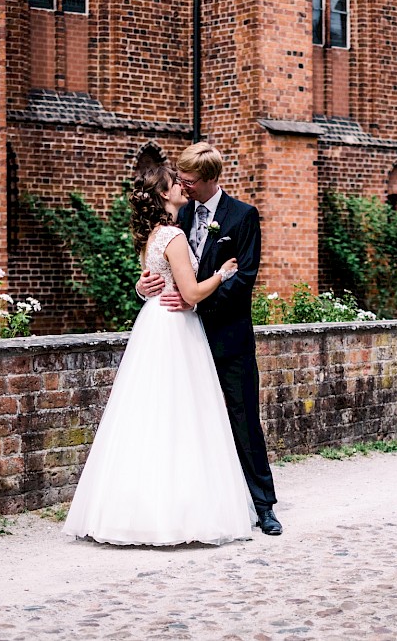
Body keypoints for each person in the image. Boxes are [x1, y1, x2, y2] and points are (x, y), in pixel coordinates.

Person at [63, 165, 257, 546]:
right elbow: (191, 292)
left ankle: (132, 510)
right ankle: (179, 512)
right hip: (175, 326)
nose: (182, 186)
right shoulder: (173, 235)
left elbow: (154, 281)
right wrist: (221, 273)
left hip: (153, 323)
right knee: (182, 415)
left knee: (147, 413)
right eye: (175, 183)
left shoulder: (151, 235)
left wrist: (144, 287)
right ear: (165, 195)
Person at [136, 142, 282, 536]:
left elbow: (244, 279)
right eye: (180, 179)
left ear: (211, 179)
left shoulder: (242, 217)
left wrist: (195, 301)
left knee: (242, 419)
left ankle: (262, 505)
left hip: (226, 336)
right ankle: (204, 505)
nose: (183, 185)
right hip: (181, 340)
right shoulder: (175, 218)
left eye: (190, 180)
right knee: (190, 422)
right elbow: (159, 266)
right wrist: (144, 285)